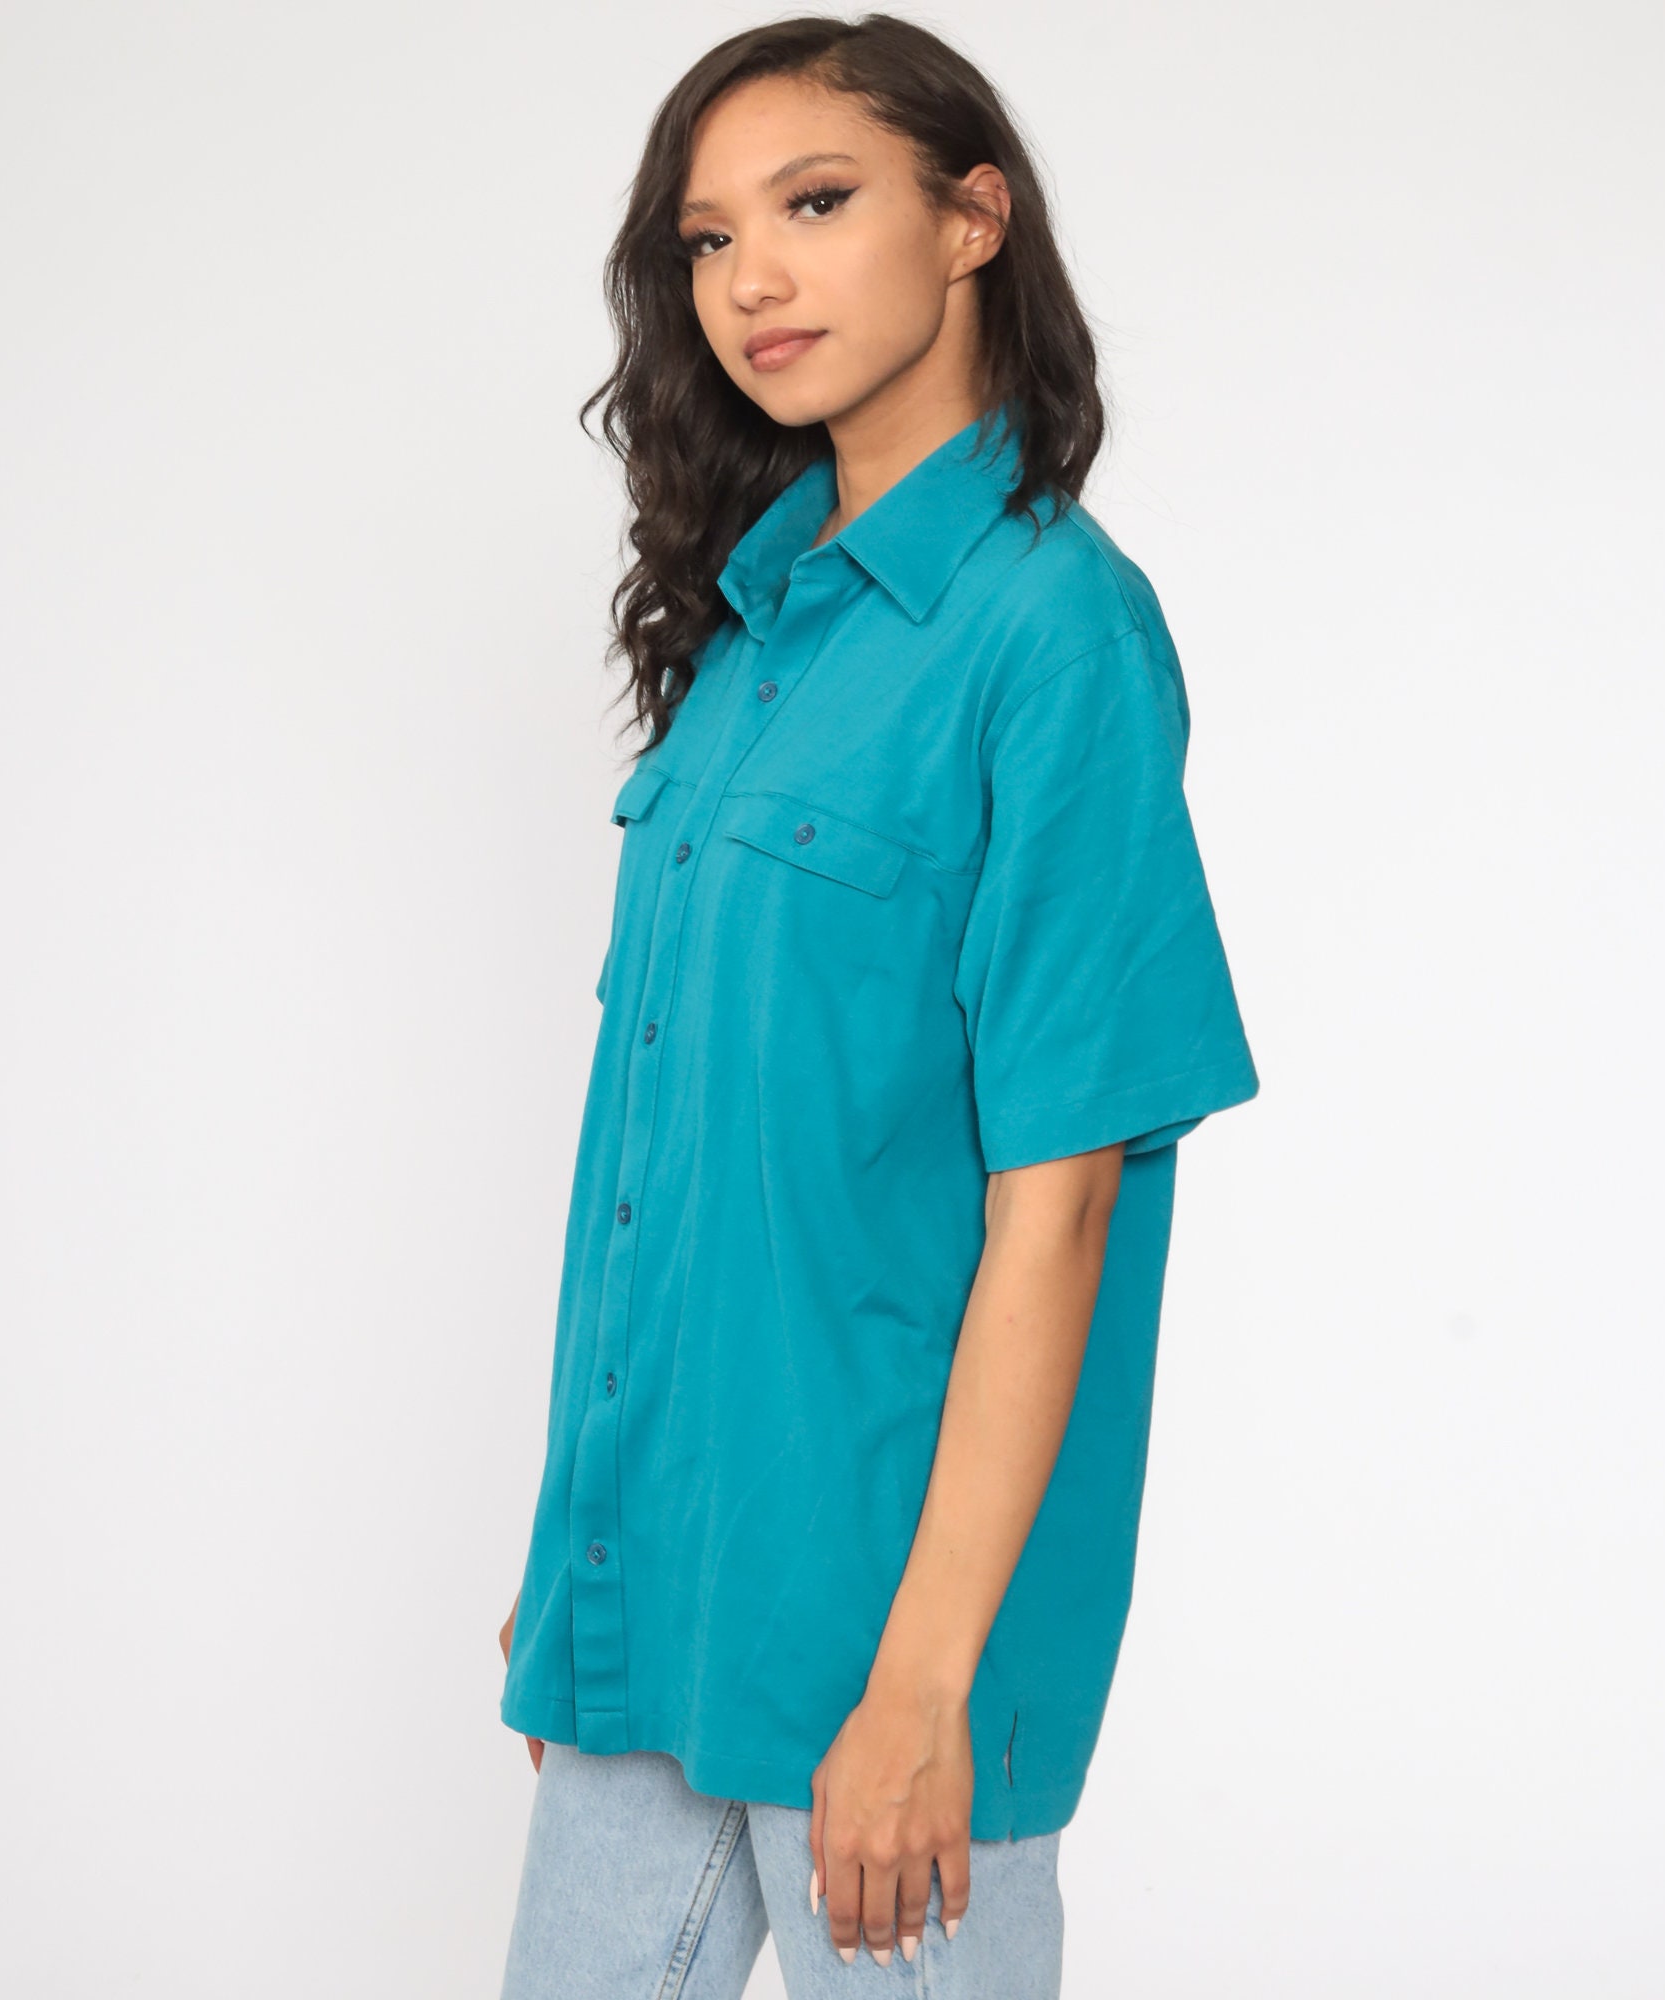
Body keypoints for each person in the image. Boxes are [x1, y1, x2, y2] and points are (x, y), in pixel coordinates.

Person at [495, 14, 1259, 1996]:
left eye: (816, 204)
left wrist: (924, 1686)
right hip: (652, 1601)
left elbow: (1058, 1200)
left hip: (888, 1652)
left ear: (973, 217)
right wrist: (581, 1550)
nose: (753, 276)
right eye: (707, 238)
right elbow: (677, 1149)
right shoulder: (753, 632)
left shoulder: (1053, 632)